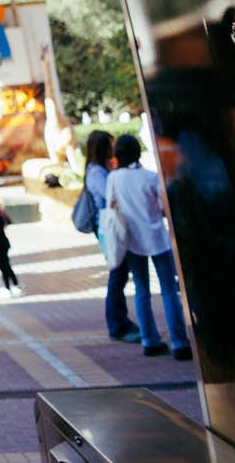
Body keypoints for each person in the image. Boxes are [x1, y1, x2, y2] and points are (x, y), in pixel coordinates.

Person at [105, 134, 192, 360]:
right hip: (157, 238)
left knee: (141, 291)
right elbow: (165, 206)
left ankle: (149, 340)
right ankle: (179, 342)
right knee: (168, 290)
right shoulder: (150, 177)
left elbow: (110, 206)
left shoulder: (114, 178)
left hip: (131, 241)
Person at [83, 130, 137, 342]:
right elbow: (110, 197)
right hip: (108, 226)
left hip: (112, 224)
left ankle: (121, 320)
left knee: (120, 273)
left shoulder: (101, 169)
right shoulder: (96, 172)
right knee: (118, 272)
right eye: (110, 146)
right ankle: (116, 323)